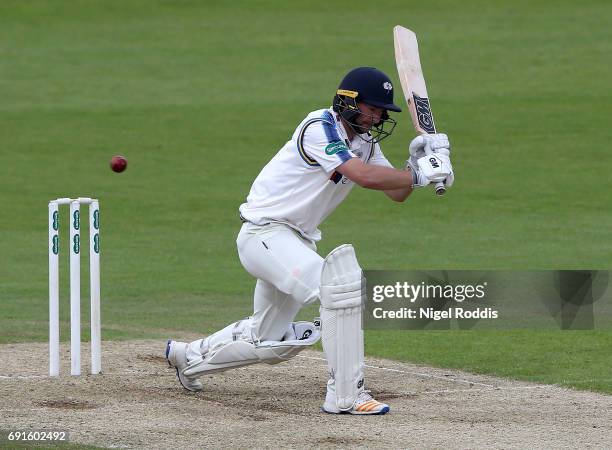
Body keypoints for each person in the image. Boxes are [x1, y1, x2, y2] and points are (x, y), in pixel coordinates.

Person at [166, 67, 453, 415]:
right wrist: (420, 173)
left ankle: (187, 357)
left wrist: (420, 162)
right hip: (265, 234)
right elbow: (361, 177)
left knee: (270, 342)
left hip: (295, 243)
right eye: (373, 108)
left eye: (382, 111)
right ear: (348, 102)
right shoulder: (319, 127)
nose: (377, 116)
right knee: (340, 290)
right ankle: (346, 395)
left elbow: (396, 193)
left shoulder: (365, 141)